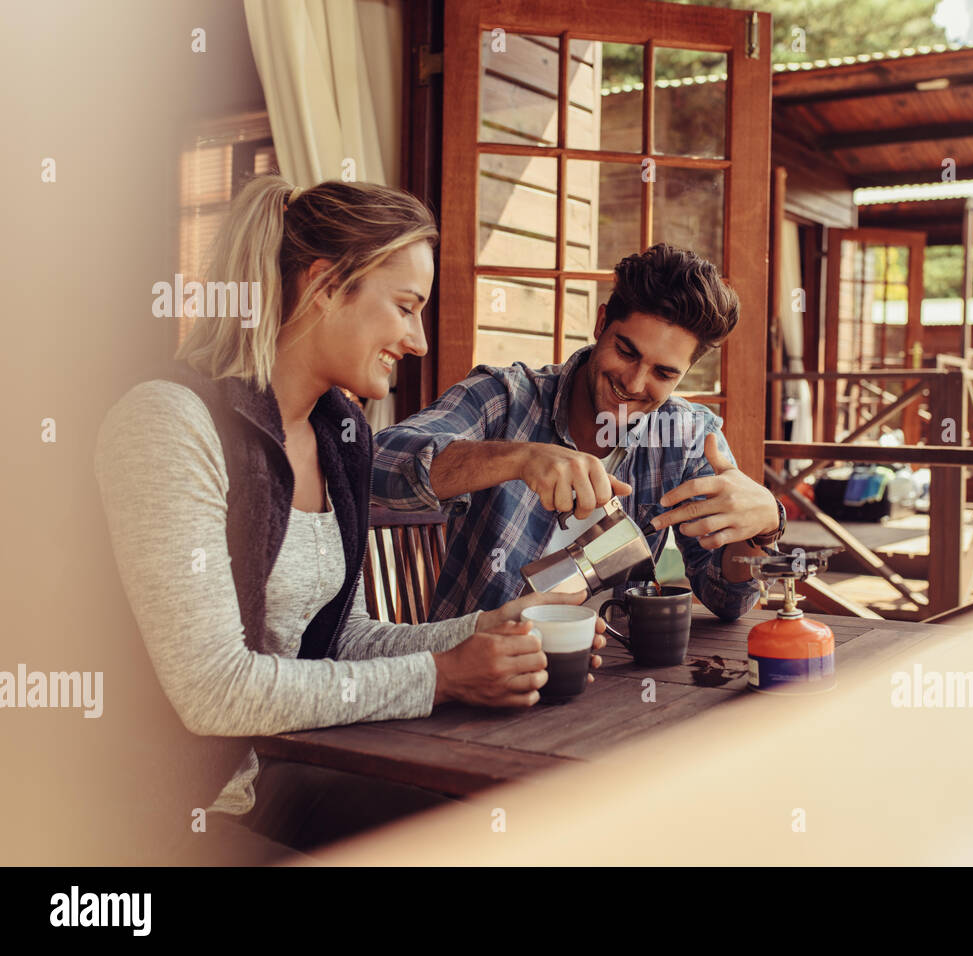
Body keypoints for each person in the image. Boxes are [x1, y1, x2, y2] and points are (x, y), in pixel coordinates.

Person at [94, 176, 602, 865]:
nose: (418, 340)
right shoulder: (170, 423)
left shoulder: (341, 435)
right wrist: (444, 676)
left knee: (503, 835)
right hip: (137, 816)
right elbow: (213, 692)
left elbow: (345, 637)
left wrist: (485, 631)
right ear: (326, 285)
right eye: (405, 306)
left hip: (259, 780)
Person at [372, 243, 787, 622]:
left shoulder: (687, 436)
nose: (635, 383)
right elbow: (375, 466)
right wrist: (520, 458)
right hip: (482, 669)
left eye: (663, 373)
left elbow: (727, 597)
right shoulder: (504, 397)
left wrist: (762, 528)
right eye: (626, 351)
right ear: (602, 321)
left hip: (614, 679)